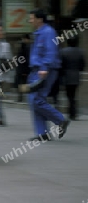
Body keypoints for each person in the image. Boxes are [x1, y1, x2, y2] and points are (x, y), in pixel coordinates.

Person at [27, 9, 70, 141]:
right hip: (36, 70)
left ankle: (60, 120)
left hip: (45, 70)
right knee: (35, 100)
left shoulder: (48, 32)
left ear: (40, 19)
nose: (30, 20)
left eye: (32, 18)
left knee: (37, 100)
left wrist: (44, 68)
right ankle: (43, 133)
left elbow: (51, 52)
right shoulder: (39, 32)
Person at [60, 36, 85, 120]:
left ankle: (72, 112)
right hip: (76, 75)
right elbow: (82, 66)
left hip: (67, 76)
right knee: (73, 94)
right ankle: (73, 112)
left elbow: (61, 65)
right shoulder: (80, 52)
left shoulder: (63, 52)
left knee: (69, 95)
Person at [15, 34, 31, 102]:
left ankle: (22, 97)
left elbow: (25, 59)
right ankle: (21, 97)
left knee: (23, 83)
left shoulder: (26, 47)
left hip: (23, 69)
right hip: (22, 69)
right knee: (22, 83)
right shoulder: (25, 47)